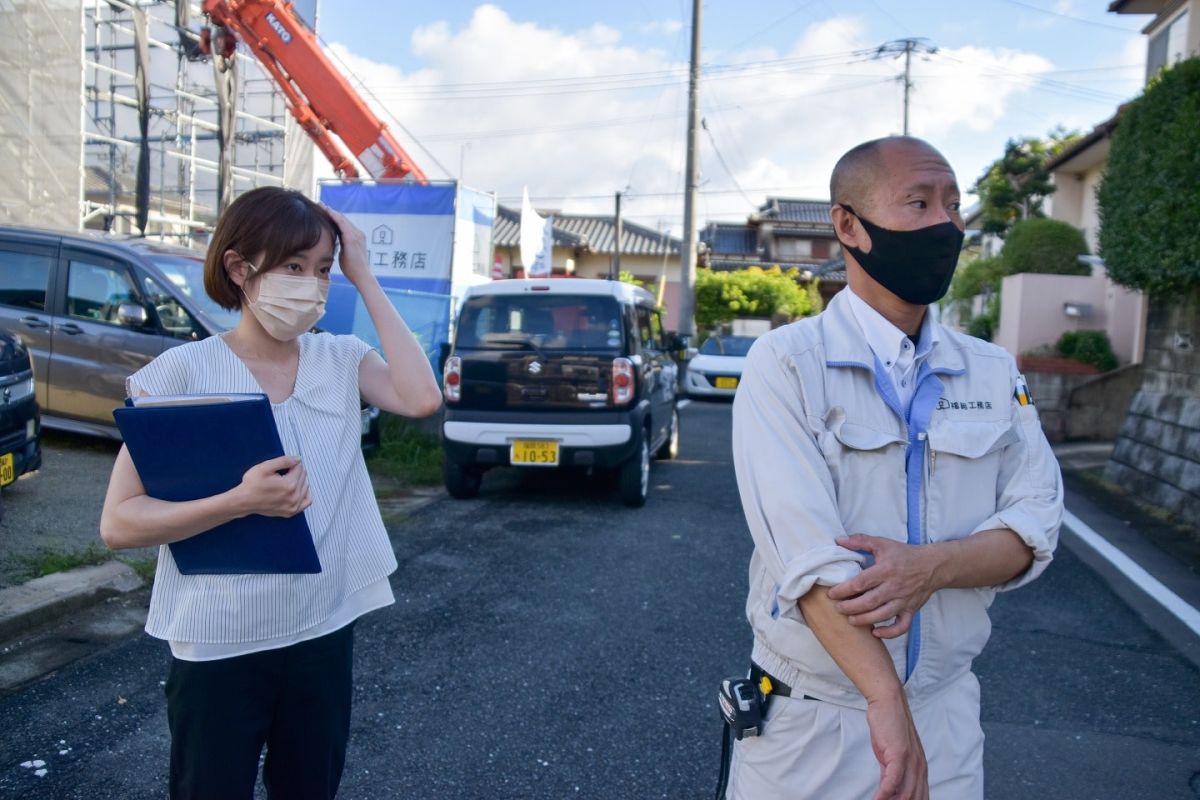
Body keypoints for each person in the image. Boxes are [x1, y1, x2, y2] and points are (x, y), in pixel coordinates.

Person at [725, 136, 1063, 800]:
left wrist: (928, 566)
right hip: (809, 723)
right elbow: (808, 558)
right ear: (848, 225)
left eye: (953, 205)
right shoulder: (787, 363)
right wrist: (884, 698)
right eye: (918, 202)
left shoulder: (994, 371)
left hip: (946, 716)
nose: (946, 224)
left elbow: (1034, 526)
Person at [99, 186, 442, 799]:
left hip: (323, 633)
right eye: (292, 267)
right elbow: (119, 523)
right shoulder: (182, 374)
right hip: (219, 643)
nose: (311, 285)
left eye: (322, 269)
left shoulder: (340, 359)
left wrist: (363, 275)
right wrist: (238, 501)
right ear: (239, 268)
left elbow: (421, 398)